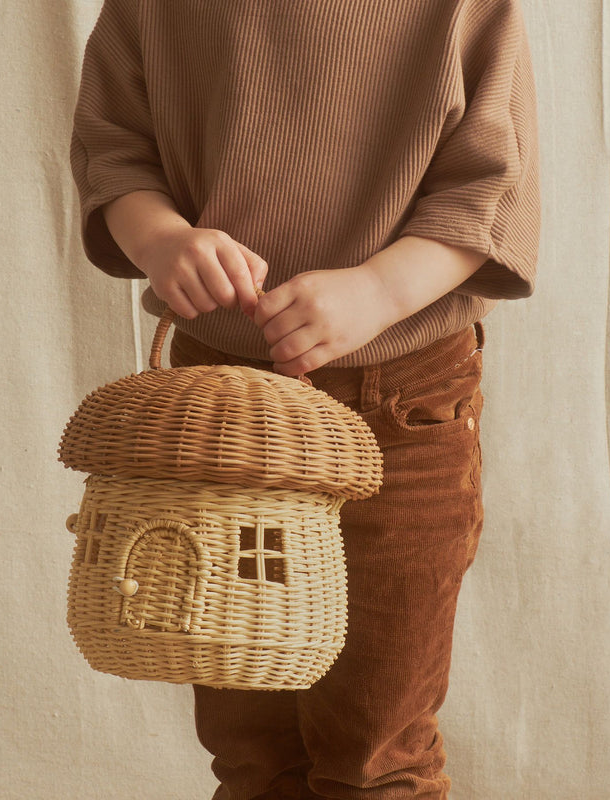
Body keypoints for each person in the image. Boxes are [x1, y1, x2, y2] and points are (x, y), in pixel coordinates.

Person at [70, 1, 540, 797]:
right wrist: (160, 240)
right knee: (251, 751)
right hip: (220, 404)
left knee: (376, 751)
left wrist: (380, 289)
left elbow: (491, 185)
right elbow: (115, 148)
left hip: (404, 401)